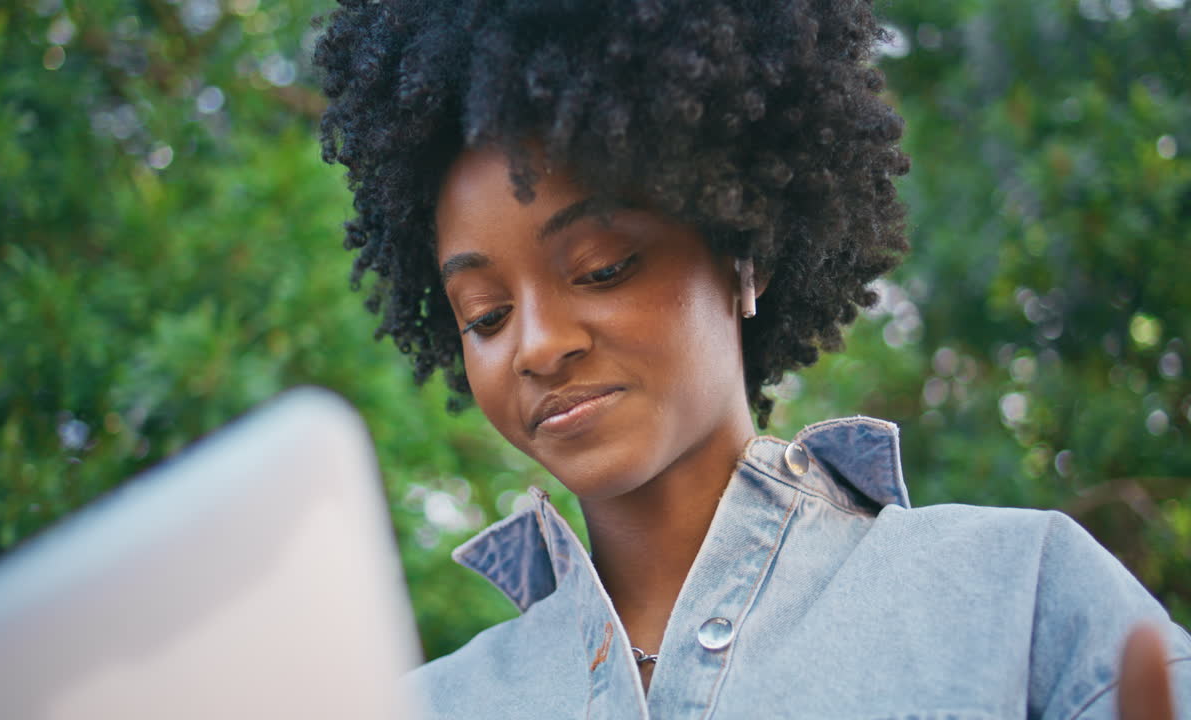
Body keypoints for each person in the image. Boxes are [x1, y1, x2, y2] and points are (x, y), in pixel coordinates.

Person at [312, 0, 1189, 717]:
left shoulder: (1014, 594)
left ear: (744, 254)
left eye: (603, 267)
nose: (538, 345)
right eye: (487, 314)